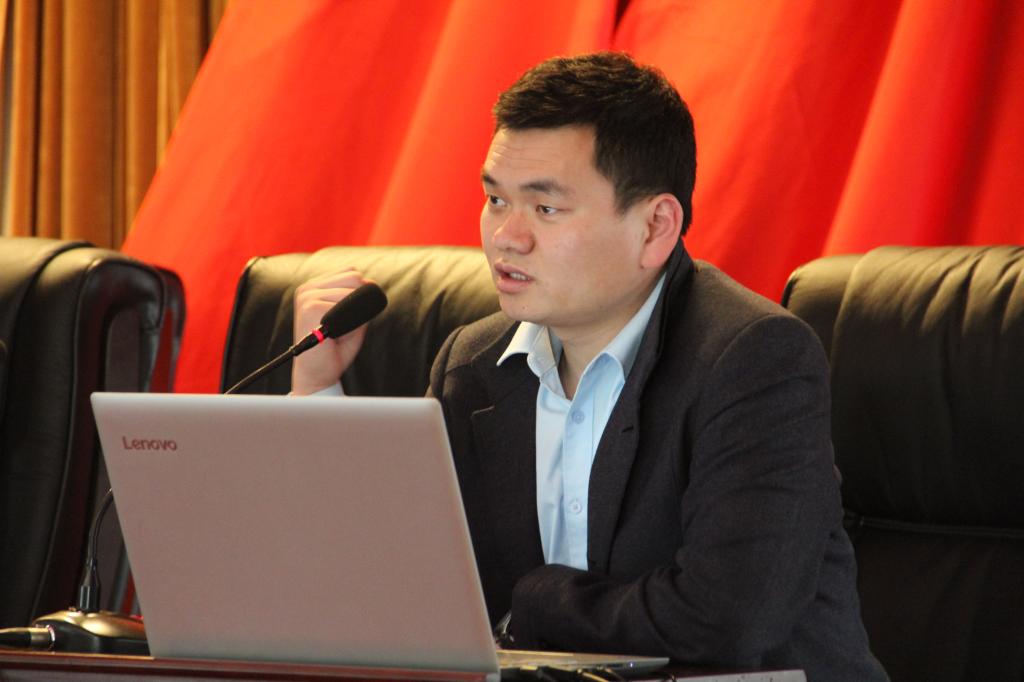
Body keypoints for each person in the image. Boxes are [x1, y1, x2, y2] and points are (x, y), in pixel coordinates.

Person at [291, 52, 888, 680]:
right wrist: (317, 391)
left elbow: (727, 621)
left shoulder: (753, 358)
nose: (506, 236)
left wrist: (534, 601)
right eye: (495, 199)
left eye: (546, 209)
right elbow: (408, 588)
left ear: (655, 227)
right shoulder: (473, 365)